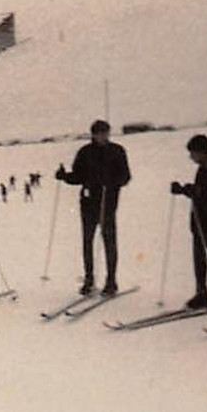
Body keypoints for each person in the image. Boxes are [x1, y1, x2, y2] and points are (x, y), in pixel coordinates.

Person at [56, 119, 132, 295]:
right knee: (87, 242)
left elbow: (126, 176)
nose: (102, 136)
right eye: (99, 133)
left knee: (109, 242)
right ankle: (89, 279)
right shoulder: (85, 152)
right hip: (88, 203)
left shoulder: (117, 151)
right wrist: (64, 176)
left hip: (108, 202)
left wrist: (112, 182)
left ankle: (111, 280)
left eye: (105, 133)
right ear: (93, 134)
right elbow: (78, 176)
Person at [169, 134, 207, 310]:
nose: (191, 157)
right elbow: (199, 192)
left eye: (193, 153)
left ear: (202, 152)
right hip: (199, 222)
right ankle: (202, 292)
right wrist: (183, 190)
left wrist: (196, 192)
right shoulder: (203, 168)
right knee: (199, 259)